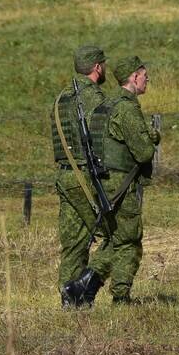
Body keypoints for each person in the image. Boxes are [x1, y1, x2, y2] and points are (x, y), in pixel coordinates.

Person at [62, 56, 160, 306]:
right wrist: (153, 137)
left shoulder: (106, 105)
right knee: (128, 241)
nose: (147, 79)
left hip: (103, 184)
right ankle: (119, 297)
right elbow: (144, 152)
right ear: (134, 77)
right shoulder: (126, 107)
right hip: (121, 186)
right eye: (144, 74)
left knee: (115, 239)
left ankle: (81, 286)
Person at [50, 44, 112, 307]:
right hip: (85, 177)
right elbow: (105, 139)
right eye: (104, 64)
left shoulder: (60, 99)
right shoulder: (94, 99)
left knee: (74, 244)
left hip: (64, 176)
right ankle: (86, 284)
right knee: (119, 236)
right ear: (97, 67)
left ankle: (69, 301)